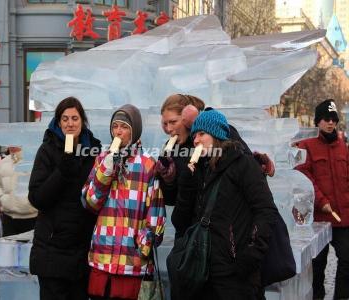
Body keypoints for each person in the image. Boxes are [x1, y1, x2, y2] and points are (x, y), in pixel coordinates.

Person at [171, 108, 278, 299]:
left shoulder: (242, 164)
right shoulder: (200, 170)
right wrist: (186, 185)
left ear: (216, 135)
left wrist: (250, 255)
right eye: (194, 135)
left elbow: (265, 210)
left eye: (201, 134)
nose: (195, 140)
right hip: (203, 272)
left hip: (235, 275)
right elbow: (180, 222)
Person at [83, 104, 166, 300]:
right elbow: (90, 202)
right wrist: (106, 170)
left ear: (134, 130)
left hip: (132, 263)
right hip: (102, 257)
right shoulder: (102, 160)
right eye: (115, 127)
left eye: (124, 127)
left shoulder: (148, 165)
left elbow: (156, 213)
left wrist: (142, 246)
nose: (118, 132)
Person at [28, 97, 102, 300]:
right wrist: (62, 171)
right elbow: (37, 198)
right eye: (65, 119)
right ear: (58, 122)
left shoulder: (93, 151)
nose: (70, 123)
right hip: (53, 251)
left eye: (75, 118)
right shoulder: (48, 150)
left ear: (82, 121)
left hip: (82, 251)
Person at [296, 99, 349, 300]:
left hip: (342, 217)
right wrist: (321, 200)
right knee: (318, 267)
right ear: (318, 121)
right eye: (326, 119)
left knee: (347, 260)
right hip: (318, 219)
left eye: (333, 119)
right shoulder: (306, 146)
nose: (330, 123)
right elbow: (304, 176)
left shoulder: (343, 146)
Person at [0, 146, 37, 236]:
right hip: (8, 217)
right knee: (8, 249)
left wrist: (34, 202)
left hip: (32, 217)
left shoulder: (34, 159)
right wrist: (1, 198)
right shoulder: (3, 162)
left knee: (30, 249)